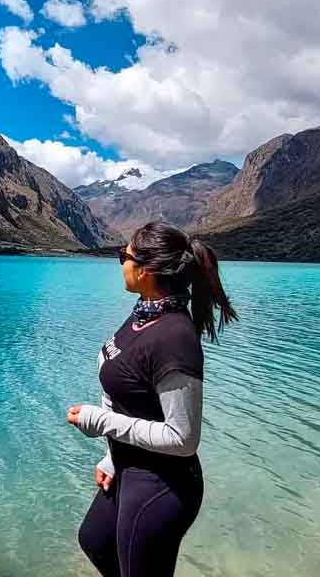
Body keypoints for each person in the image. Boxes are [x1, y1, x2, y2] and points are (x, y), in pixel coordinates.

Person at [67, 221, 238, 577]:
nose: (121, 263)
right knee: (95, 540)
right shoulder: (145, 311)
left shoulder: (174, 336)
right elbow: (134, 395)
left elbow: (183, 438)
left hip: (161, 481)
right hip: (129, 467)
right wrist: (112, 458)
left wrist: (101, 422)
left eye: (122, 256)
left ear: (145, 270)